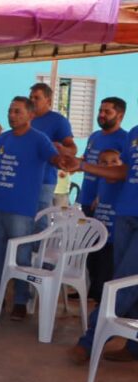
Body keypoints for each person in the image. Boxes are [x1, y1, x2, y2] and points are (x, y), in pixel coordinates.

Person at [0, 96, 61, 321]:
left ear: (30, 115)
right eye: (10, 111)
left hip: (22, 208)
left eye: (17, 111)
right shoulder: (3, 139)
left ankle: (20, 300)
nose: (12, 115)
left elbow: (55, 159)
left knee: (21, 256)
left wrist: (67, 160)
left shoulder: (39, 139)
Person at [65, 127, 138, 364]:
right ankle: (134, 346)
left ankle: (89, 341)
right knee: (128, 281)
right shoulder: (134, 133)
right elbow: (124, 171)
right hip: (126, 214)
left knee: (124, 281)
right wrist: (83, 165)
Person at [29, 82, 76, 223]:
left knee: (40, 222)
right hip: (23, 179)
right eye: (30, 97)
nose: (32, 100)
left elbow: (72, 149)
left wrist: (60, 148)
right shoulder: (26, 119)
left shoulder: (58, 121)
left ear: (48, 101)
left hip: (44, 180)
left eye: (37, 98)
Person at [78, 97, 128, 214]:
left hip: (107, 203)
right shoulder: (94, 136)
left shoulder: (126, 139)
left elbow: (125, 173)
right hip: (86, 198)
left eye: (107, 112)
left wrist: (101, 195)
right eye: (100, 111)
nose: (101, 115)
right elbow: (86, 161)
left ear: (120, 116)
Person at [87, 149, 123, 304]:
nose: (109, 166)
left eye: (114, 161)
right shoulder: (101, 182)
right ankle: (95, 294)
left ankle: (105, 302)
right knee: (94, 265)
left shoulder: (123, 185)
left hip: (113, 237)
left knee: (107, 270)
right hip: (100, 235)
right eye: (104, 162)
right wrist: (97, 199)